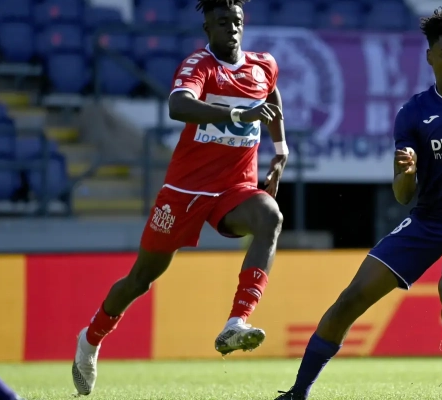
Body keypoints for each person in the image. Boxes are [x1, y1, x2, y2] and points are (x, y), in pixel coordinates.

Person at [275, 7, 442, 400]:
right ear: (430, 57)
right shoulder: (413, 114)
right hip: (427, 222)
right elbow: (403, 195)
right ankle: (298, 392)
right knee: (350, 300)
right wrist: (406, 174)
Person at [72, 0, 289, 395]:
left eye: (237, 21)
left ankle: (236, 322)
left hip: (235, 188)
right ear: (207, 28)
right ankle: (90, 338)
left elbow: (271, 97)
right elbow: (178, 105)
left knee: (270, 216)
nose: (231, 28)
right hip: (185, 190)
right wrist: (237, 115)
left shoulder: (263, 65)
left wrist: (281, 150)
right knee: (141, 279)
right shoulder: (199, 66)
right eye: (222, 22)